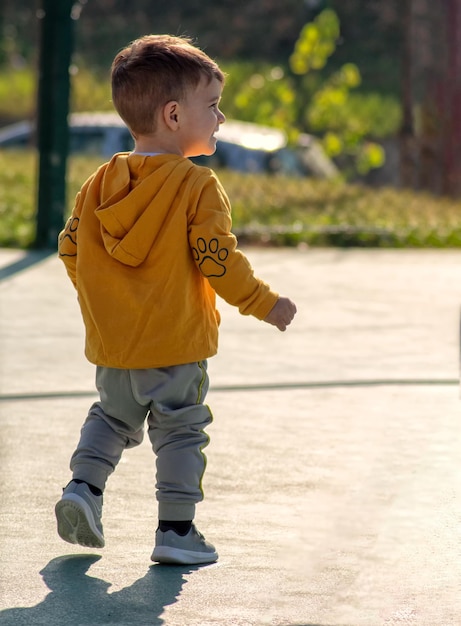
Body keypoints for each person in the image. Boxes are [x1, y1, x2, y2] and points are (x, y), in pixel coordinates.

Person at [55, 34, 297, 566]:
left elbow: (70, 249)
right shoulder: (197, 186)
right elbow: (218, 261)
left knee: (112, 419)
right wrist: (265, 302)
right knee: (182, 432)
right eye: (211, 106)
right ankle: (176, 531)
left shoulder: (99, 183)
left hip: (115, 345)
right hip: (176, 344)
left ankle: (83, 489)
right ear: (172, 115)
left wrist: (107, 301)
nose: (221, 117)